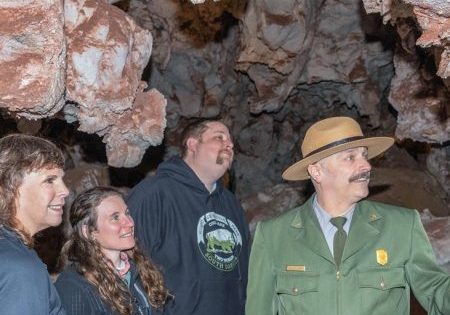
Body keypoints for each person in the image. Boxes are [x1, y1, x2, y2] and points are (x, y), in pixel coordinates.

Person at [246, 116, 450, 315]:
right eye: (350, 157)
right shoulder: (273, 236)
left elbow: (437, 293)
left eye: (364, 155)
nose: (367, 166)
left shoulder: (402, 226)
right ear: (316, 172)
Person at [126, 119, 249, 315]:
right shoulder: (154, 194)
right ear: (192, 144)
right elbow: (127, 264)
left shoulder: (231, 205)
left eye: (231, 140)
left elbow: (243, 272)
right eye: (219, 137)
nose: (230, 144)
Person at [55, 186, 169, 315]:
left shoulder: (140, 270)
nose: (130, 223)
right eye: (115, 217)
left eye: (127, 213)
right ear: (88, 232)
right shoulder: (73, 287)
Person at [0, 133, 69, 314]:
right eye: (49, 180)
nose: (65, 190)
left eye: (61, 180)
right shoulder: (19, 267)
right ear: (11, 188)